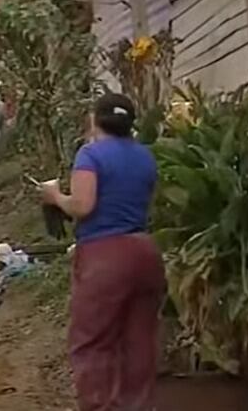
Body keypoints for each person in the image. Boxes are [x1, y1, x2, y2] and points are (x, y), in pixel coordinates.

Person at [40, 93, 165, 411]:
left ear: (95, 121)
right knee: (139, 341)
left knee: (93, 342)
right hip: (144, 252)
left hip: (104, 256)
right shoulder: (145, 156)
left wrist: (55, 197)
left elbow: (83, 205)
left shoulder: (91, 154)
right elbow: (146, 205)